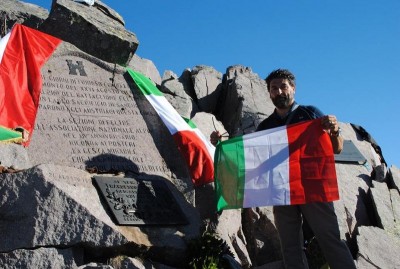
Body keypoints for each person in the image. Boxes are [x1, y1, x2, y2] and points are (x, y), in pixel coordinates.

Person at [211, 69, 356, 269]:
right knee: (290, 247)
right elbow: (252, 159)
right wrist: (221, 145)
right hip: (282, 192)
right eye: (274, 88)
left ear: (293, 89)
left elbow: (337, 148)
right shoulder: (266, 126)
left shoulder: (311, 114)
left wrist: (335, 130)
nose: (279, 92)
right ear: (269, 93)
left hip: (312, 188)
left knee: (330, 240)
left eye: (283, 87)